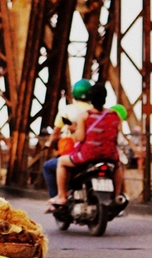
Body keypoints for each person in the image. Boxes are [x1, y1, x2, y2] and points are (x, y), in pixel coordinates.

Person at [43, 80, 122, 209]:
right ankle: (117, 195)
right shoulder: (115, 115)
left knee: (61, 162)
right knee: (118, 166)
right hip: (110, 154)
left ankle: (62, 196)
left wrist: (73, 133)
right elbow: (117, 134)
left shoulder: (85, 116)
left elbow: (80, 137)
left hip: (88, 155)